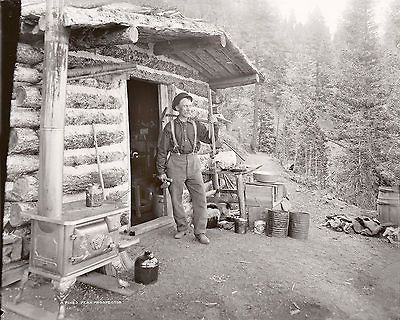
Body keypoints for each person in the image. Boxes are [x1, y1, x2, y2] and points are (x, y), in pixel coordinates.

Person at [156, 92, 218, 245]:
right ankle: (182, 227)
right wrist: (161, 171)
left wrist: (214, 125)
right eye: (185, 106)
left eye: (190, 106)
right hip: (175, 163)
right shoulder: (169, 127)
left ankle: (200, 232)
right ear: (177, 108)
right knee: (176, 199)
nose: (188, 109)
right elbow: (162, 150)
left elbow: (210, 139)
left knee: (200, 198)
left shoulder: (196, 124)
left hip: (193, 162)